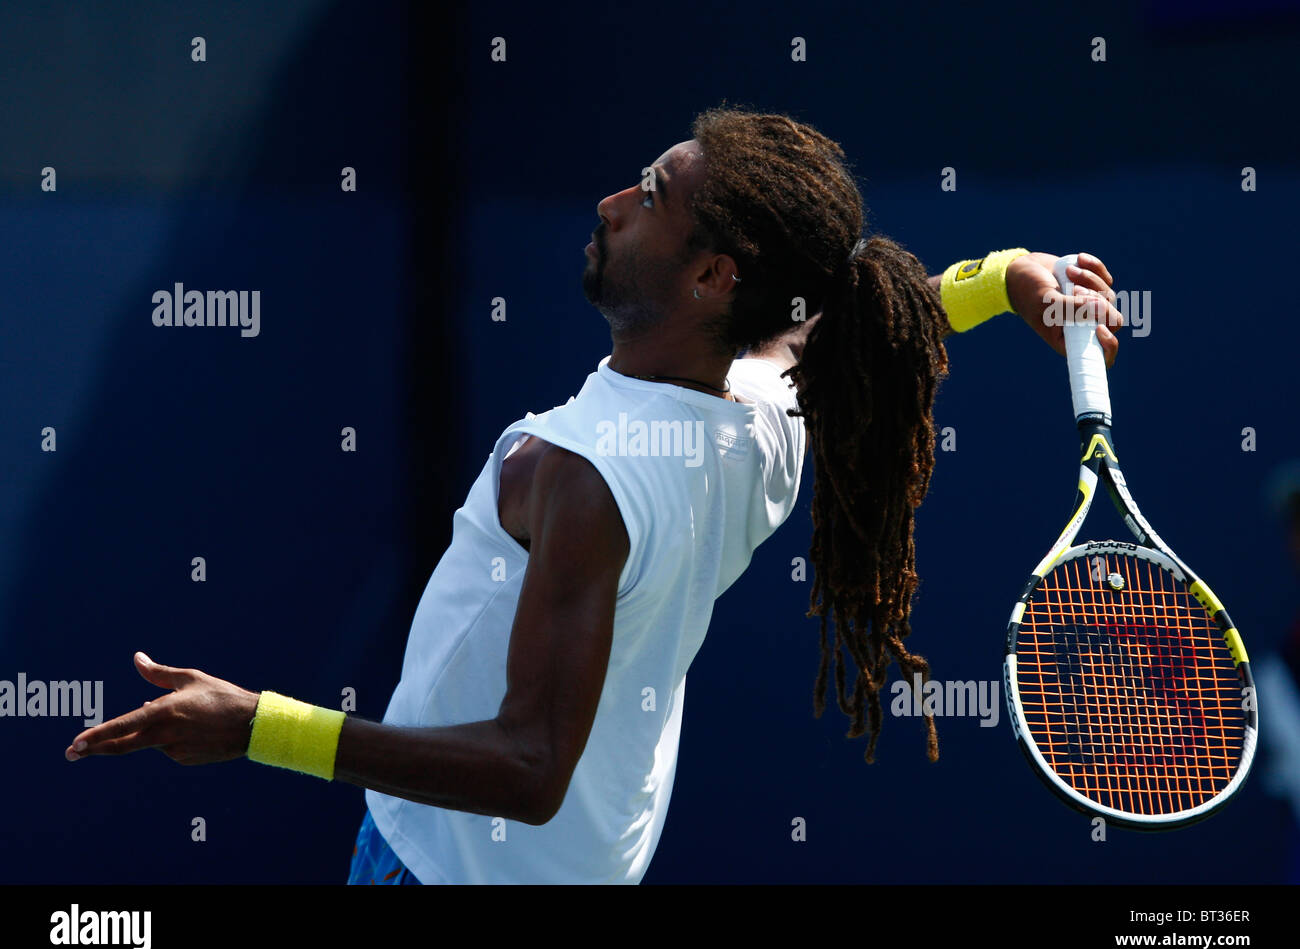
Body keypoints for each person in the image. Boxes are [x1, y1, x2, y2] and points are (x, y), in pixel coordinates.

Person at [65, 107, 1123, 883]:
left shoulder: (574, 472)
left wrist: (254, 724)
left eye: (651, 198)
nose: (613, 203)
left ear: (713, 279)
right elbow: (868, 319)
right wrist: (1015, 272)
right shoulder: (763, 420)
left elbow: (530, 767)